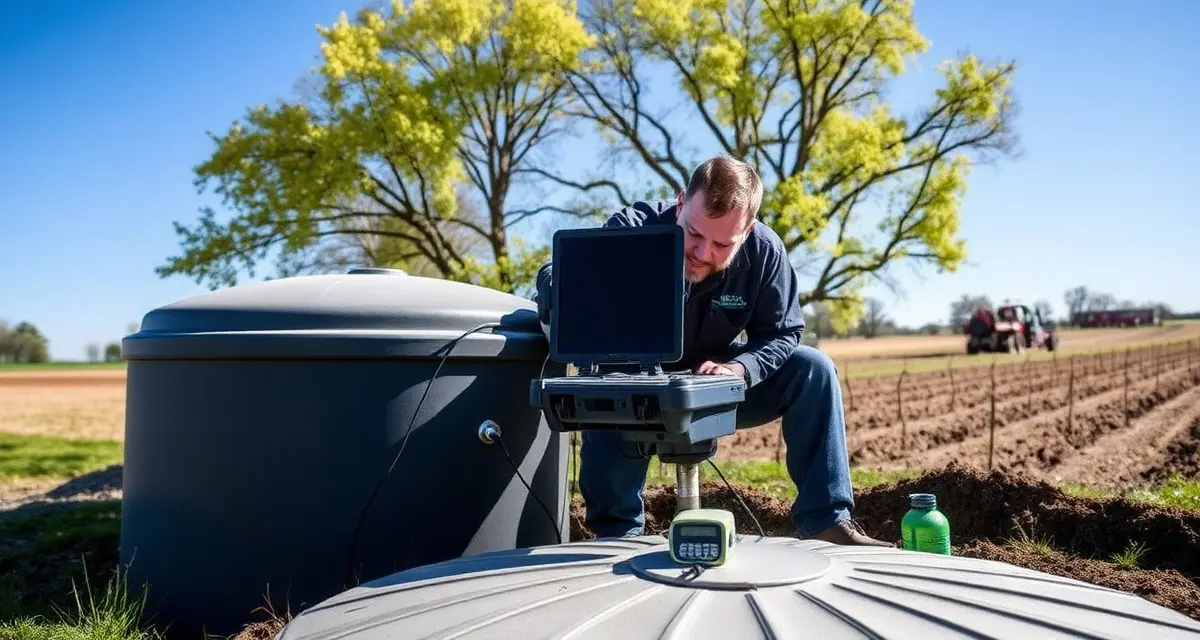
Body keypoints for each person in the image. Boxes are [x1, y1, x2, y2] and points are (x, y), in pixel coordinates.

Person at [533, 154, 891, 547]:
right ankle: (615, 535)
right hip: (637, 385)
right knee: (607, 384)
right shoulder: (632, 231)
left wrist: (740, 369)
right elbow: (567, 276)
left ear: (747, 229)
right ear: (681, 202)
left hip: (715, 382)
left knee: (813, 368)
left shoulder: (765, 252)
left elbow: (784, 332)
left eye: (723, 244)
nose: (703, 253)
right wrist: (557, 282)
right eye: (694, 234)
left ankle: (827, 521)